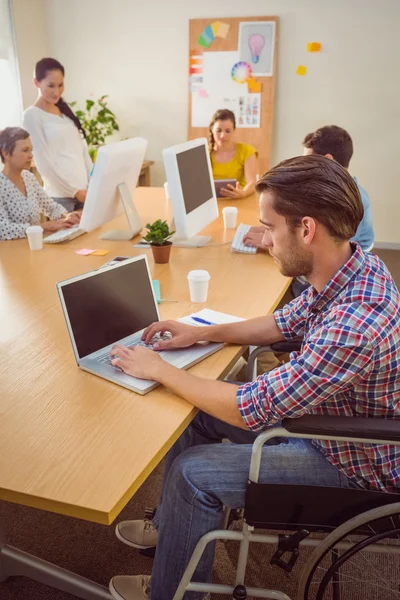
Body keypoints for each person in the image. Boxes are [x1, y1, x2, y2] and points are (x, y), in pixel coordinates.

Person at [107, 155, 400, 600]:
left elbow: (248, 410)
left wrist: (159, 369)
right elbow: (283, 323)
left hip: (351, 463)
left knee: (191, 472)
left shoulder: (353, 324)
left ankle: (174, 594)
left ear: (306, 229)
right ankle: (172, 532)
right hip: (325, 423)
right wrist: (200, 332)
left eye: (269, 227)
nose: (262, 238)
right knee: (195, 416)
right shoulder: (352, 267)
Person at [243, 125, 374, 255]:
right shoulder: (328, 189)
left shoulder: (351, 200)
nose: (304, 167)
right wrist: (273, 230)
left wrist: (273, 243)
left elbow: (329, 251)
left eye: (308, 161)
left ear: (328, 160)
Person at [22, 57, 92, 212]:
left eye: (61, 85)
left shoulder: (65, 112)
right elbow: (43, 162)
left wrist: (93, 183)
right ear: (36, 83)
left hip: (86, 193)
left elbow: (82, 152)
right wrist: (74, 192)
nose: (57, 91)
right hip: (61, 198)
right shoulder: (32, 116)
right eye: (51, 85)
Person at [0, 127, 80, 240]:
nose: (31, 155)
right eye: (25, 150)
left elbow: (50, 206)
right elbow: (2, 229)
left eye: (31, 150)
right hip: (13, 251)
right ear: (6, 153)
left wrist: (65, 216)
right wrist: (42, 227)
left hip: (34, 246)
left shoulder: (29, 178)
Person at [209, 109, 257, 199]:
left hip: (240, 200)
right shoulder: (205, 152)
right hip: (214, 201)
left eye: (227, 131)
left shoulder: (247, 151)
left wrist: (243, 193)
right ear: (212, 130)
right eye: (218, 131)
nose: (223, 136)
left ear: (233, 130)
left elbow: (252, 183)